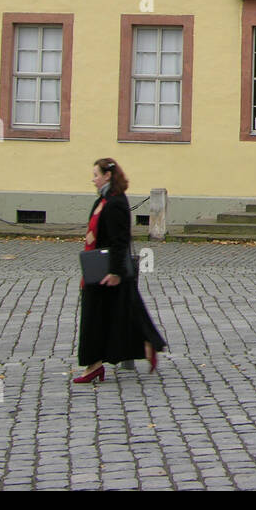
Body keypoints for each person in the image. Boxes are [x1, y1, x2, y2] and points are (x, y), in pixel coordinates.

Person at [74, 158, 167, 383]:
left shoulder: (115, 202)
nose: (93, 179)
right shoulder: (105, 199)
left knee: (102, 317)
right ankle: (143, 346)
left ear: (107, 176)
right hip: (98, 267)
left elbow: (119, 240)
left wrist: (115, 272)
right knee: (118, 314)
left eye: (96, 175)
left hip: (108, 270)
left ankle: (97, 363)